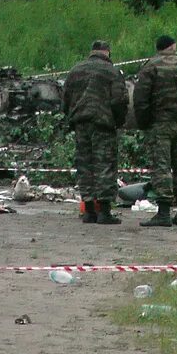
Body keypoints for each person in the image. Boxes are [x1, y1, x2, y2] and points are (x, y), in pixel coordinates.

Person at [133, 35, 177, 228]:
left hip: (159, 123)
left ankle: (163, 212)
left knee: (161, 166)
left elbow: (140, 98)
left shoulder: (150, 67)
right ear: (173, 46)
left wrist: (145, 122)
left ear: (158, 48)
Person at [62, 40, 128, 224]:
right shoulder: (112, 72)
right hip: (103, 124)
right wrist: (118, 121)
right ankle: (104, 211)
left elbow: (65, 98)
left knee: (85, 164)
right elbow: (119, 100)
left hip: (81, 123)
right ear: (108, 52)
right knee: (104, 164)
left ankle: (89, 209)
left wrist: (71, 117)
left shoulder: (76, 70)